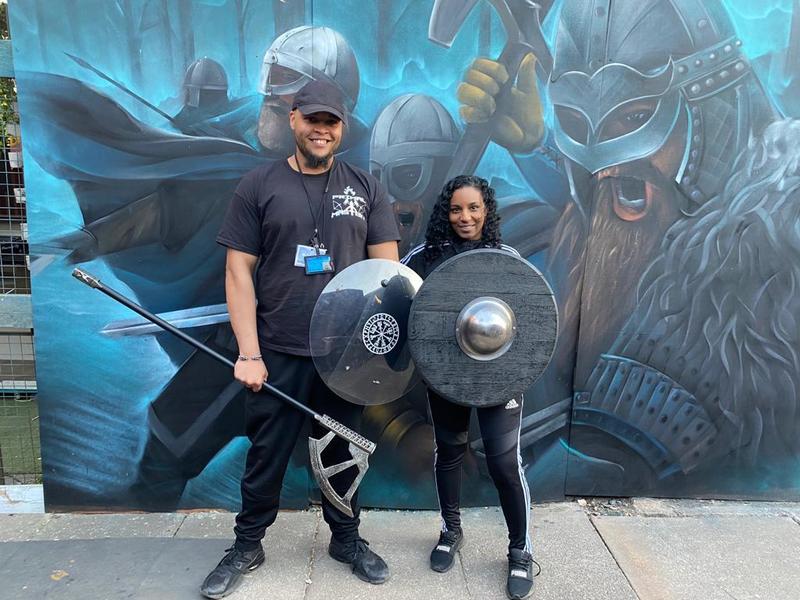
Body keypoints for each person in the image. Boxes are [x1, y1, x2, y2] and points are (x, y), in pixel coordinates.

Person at [201, 79, 400, 599]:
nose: (321, 130)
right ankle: (247, 544)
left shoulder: (366, 189)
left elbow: (389, 277)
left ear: (343, 127)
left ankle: (346, 539)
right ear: (293, 118)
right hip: (278, 349)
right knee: (266, 452)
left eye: (331, 121)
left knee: (343, 451)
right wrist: (249, 353)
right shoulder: (258, 185)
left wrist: (374, 352)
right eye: (313, 119)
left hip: (344, 357)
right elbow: (238, 272)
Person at [402, 175, 537, 600]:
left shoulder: (506, 259)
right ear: (446, 213)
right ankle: (450, 530)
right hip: (447, 375)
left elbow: (533, 316)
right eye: (456, 209)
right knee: (450, 453)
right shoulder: (424, 258)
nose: (465, 217)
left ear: (486, 211)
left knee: (504, 463)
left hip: (500, 376)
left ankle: (520, 551)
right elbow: (395, 295)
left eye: (474, 208)